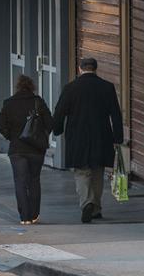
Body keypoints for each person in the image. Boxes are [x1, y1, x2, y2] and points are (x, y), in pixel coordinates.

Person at [52, 58, 123, 223]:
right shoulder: (107, 87)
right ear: (96, 69)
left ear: (80, 69)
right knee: (98, 172)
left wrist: (57, 129)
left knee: (82, 172)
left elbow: (60, 111)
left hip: (77, 137)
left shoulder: (71, 88)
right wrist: (118, 137)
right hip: (101, 135)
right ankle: (96, 208)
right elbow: (116, 114)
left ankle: (86, 203)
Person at [0, 75, 52, 225]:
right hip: (36, 149)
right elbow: (50, 122)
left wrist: (11, 136)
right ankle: (34, 214)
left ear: (18, 87)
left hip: (17, 149)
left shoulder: (8, 103)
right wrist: (41, 135)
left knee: (20, 182)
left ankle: (25, 216)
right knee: (34, 180)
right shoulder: (38, 102)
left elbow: (1, 125)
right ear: (31, 87)